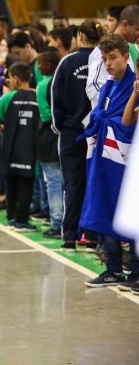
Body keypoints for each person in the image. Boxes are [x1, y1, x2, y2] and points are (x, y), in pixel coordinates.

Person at [80, 34, 139, 288]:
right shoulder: (106, 86)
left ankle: (136, 272)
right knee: (104, 207)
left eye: (112, 58)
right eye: (104, 59)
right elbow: (98, 116)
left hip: (126, 158)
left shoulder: (134, 84)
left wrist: (107, 121)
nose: (108, 64)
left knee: (131, 212)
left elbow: (127, 123)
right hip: (104, 156)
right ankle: (113, 269)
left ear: (126, 57)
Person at [51, 19, 103, 251]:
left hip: (72, 132)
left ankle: (70, 236)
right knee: (94, 183)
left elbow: (56, 100)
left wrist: (59, 127)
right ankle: (92, 237)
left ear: (80, 34)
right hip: (98, 132)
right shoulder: (105, 61)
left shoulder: (67, 62)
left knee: (71, 184)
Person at [0, 62, 39, 232]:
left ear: (15, 78)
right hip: (30, 149)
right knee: (26, 183)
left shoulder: (9, 98)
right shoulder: (37, 96)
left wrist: (1, 130)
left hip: (10, 148)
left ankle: (12, 218)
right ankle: (21, 220)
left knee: (11, 182)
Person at [86, 5, 138, 109]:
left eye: (113, 58)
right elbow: (92, 90)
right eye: (138, 29)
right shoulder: (102, 50)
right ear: (125, 25)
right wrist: (118, 102)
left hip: (123, 118)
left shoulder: (128, 48)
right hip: (107, 118)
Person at [35, 48, 63, 238]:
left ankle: (56, 222)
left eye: (40, 63)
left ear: (49, 65)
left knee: (52, 181)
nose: (38, 66)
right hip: (66, 134)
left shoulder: (43, 85)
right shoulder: (63, 81)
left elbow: (46, 115)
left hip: (48, 135)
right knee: (67, 181)